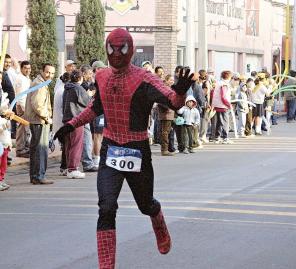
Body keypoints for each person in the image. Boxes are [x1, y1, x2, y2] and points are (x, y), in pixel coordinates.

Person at [54, 28, 196, 268]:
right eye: (112, 48)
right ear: (107, 47)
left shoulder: (145, 78)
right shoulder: (101, 77)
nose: (116, 53)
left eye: (122, 48)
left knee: (146, 204)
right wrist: (71, 124)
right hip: (111, 147)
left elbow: (172, 100)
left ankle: (158, 221)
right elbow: (96, 107)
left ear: (130, 49)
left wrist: (181, 91)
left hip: (137, 148)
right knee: (106, 207)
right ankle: (106, 265)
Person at [24, 63, 55, 185]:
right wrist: (47, 117)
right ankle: (39, 176)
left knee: (36, 148)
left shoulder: (40, 82)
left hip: (37, 120)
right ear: (42, 71)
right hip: (40, 120)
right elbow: (37, 104)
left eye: (52, 73)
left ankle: (35, 176)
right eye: (47, 72)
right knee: (40, 149)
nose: (50, 75)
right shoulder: (39, 84)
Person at [14, 61, 32, 157]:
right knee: (22, 128)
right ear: (21, 68)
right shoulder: (20, 79)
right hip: (22, 106)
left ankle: (24, 147)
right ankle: (20, 149)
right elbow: (21, 96)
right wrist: (25, 109)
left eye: (29, 68)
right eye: (25, 68)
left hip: (26, 106)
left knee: (26, 129)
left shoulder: (26, 78)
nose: (28, 70)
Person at [0, 71, 13, 191]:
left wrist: (8, 113)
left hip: (4, 127)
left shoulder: (2, 91)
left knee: (4, 154)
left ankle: (1, 179)